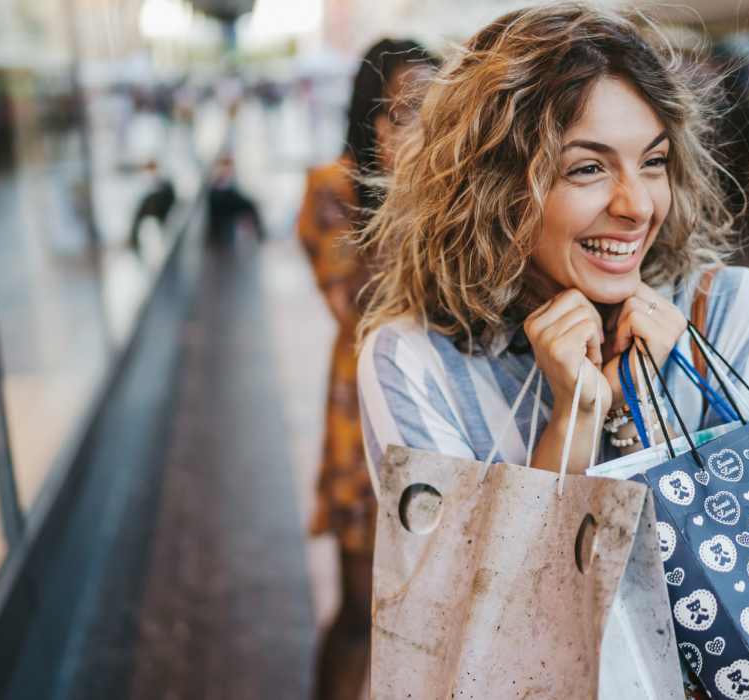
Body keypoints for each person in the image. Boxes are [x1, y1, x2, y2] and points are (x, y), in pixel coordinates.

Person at [356, 7, 749, 689]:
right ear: (495, 185)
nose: (637, 206)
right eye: (588, 168)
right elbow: (470, 648)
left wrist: (673, 396)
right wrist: (574, 421)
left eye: (652, 162)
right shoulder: (413, 364)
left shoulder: (733, 314)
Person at [298, 38, 436, 700]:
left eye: (434, 111)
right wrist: (402, 189)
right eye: (404, 111)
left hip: (433, 414)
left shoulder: (452, 196)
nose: (421, 128)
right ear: (372, 117)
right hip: (360, 418)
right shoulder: (333, 190)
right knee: (359, 611)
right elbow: (357, 304)